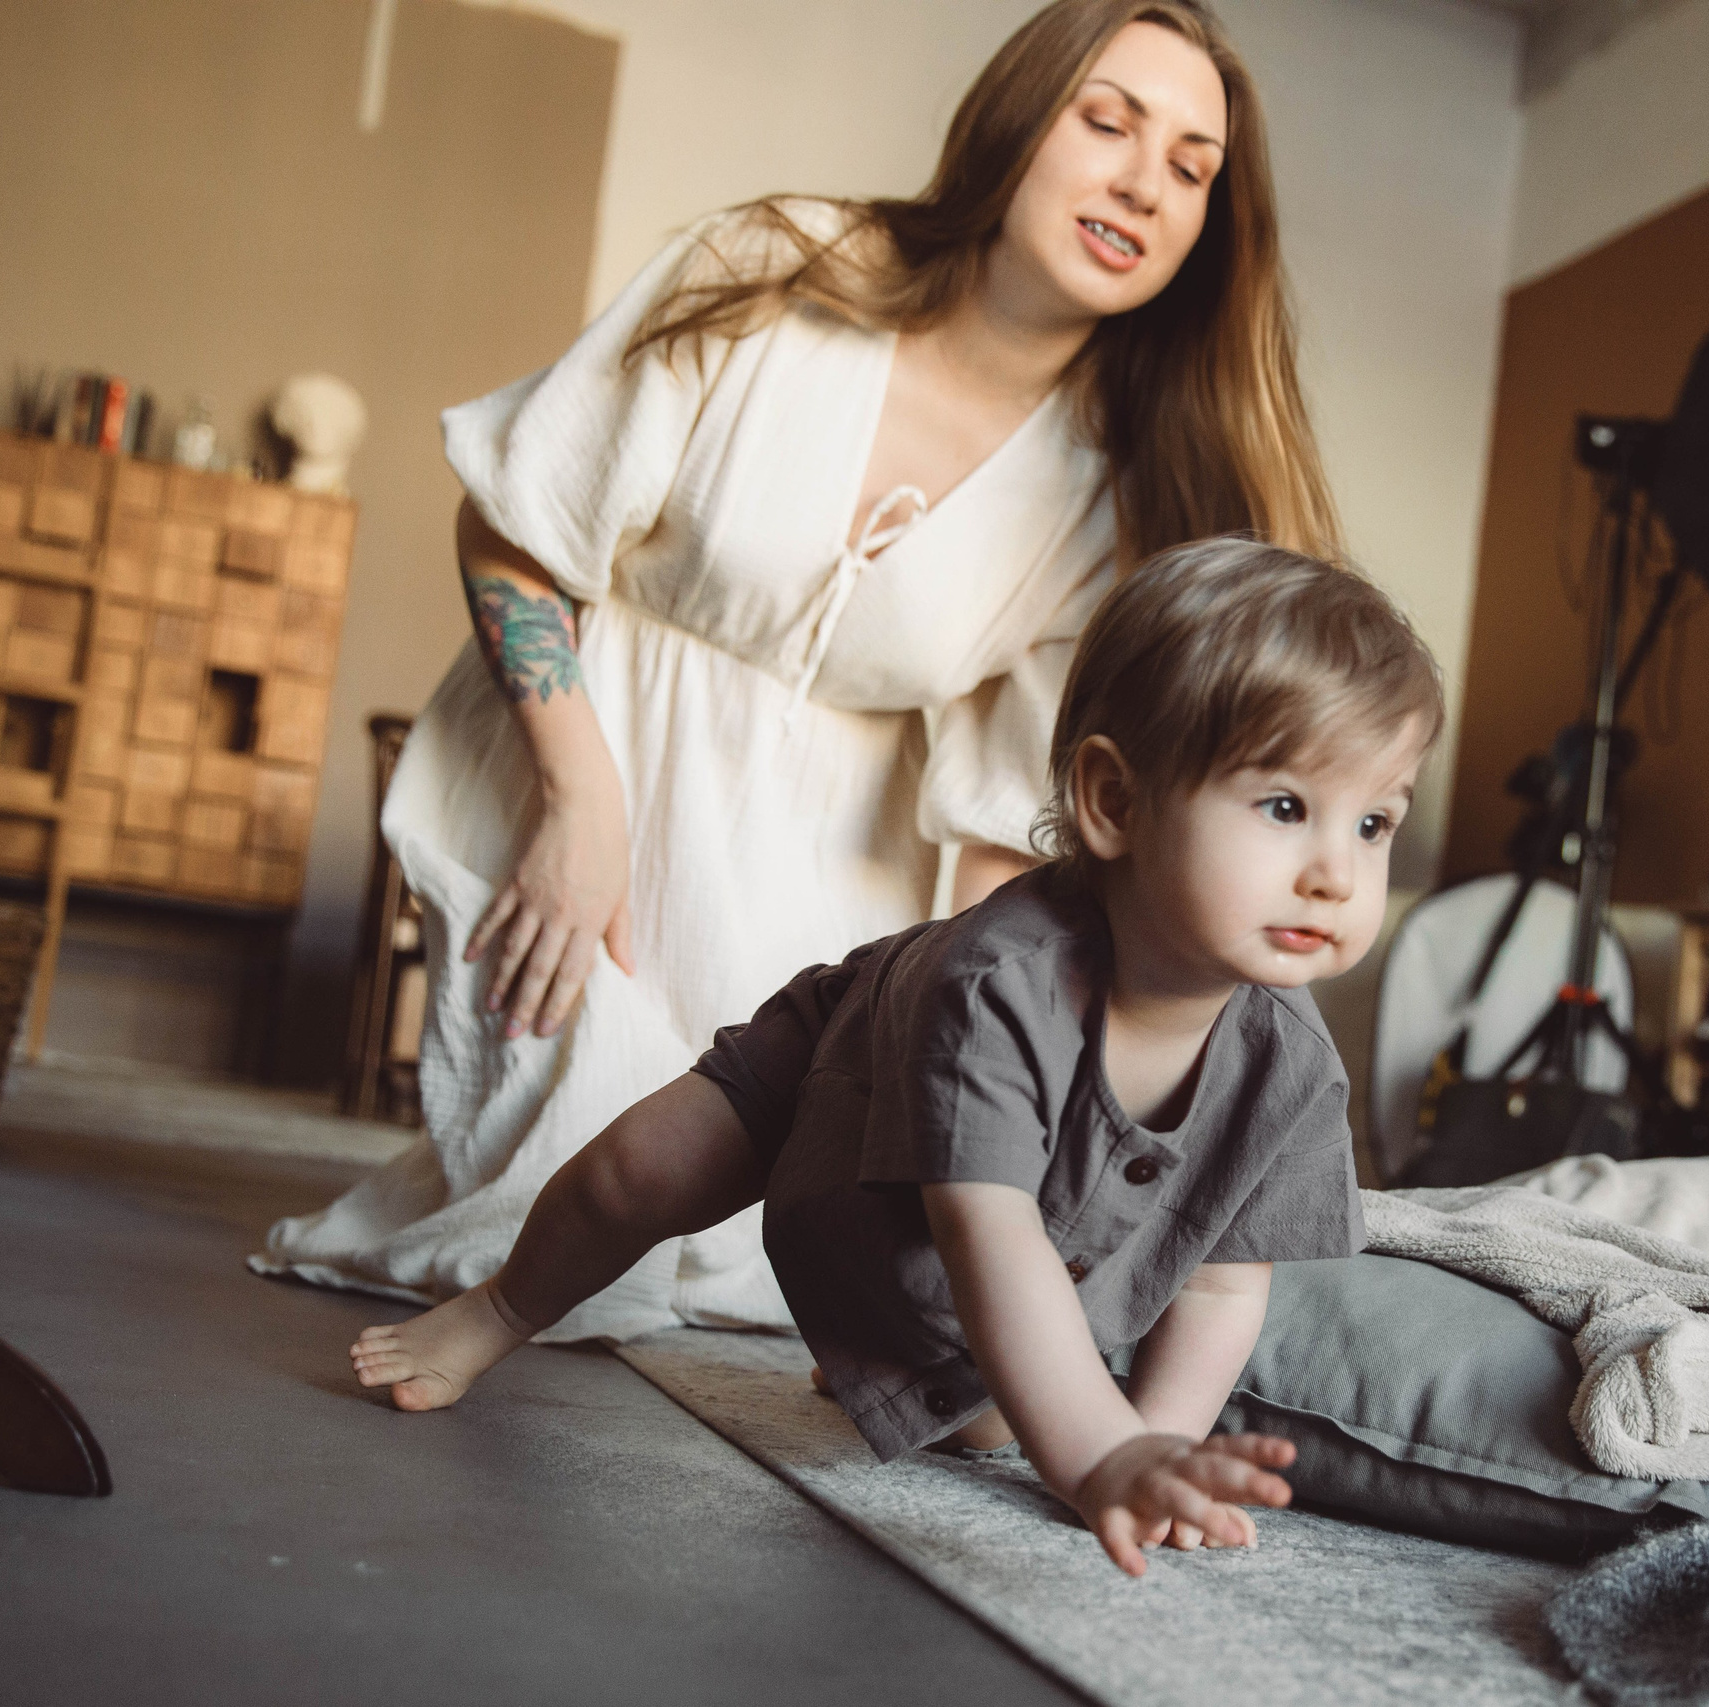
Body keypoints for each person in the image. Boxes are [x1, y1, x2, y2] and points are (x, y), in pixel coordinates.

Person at [255, 0, 1339, 1338]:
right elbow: (514, 525)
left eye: (1190, 165)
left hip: (828, 856)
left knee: (784, 1257)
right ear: (1015, 122)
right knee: (578, 1218)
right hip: (580, 749)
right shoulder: (777, 266)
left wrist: (987, 1052)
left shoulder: (1114, 488)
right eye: (1107, 122)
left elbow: (1000, 820)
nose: (1142, 183)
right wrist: (580, 804)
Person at [349, 541, 1443, 1575]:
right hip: (846, 1062)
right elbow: (988, 1233)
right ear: (1114, 802)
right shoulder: (1001, 985)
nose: (1337, 875)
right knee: (639, 1170)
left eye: (1373, 824)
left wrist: (1151, 1452)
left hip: (957, 1258)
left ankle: (869, 1354)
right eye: (1286, 807)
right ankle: (496, 1311)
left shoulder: (1292, 1067)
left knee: (982, 1413)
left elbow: (1219, 1283)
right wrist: (1097, 1452)